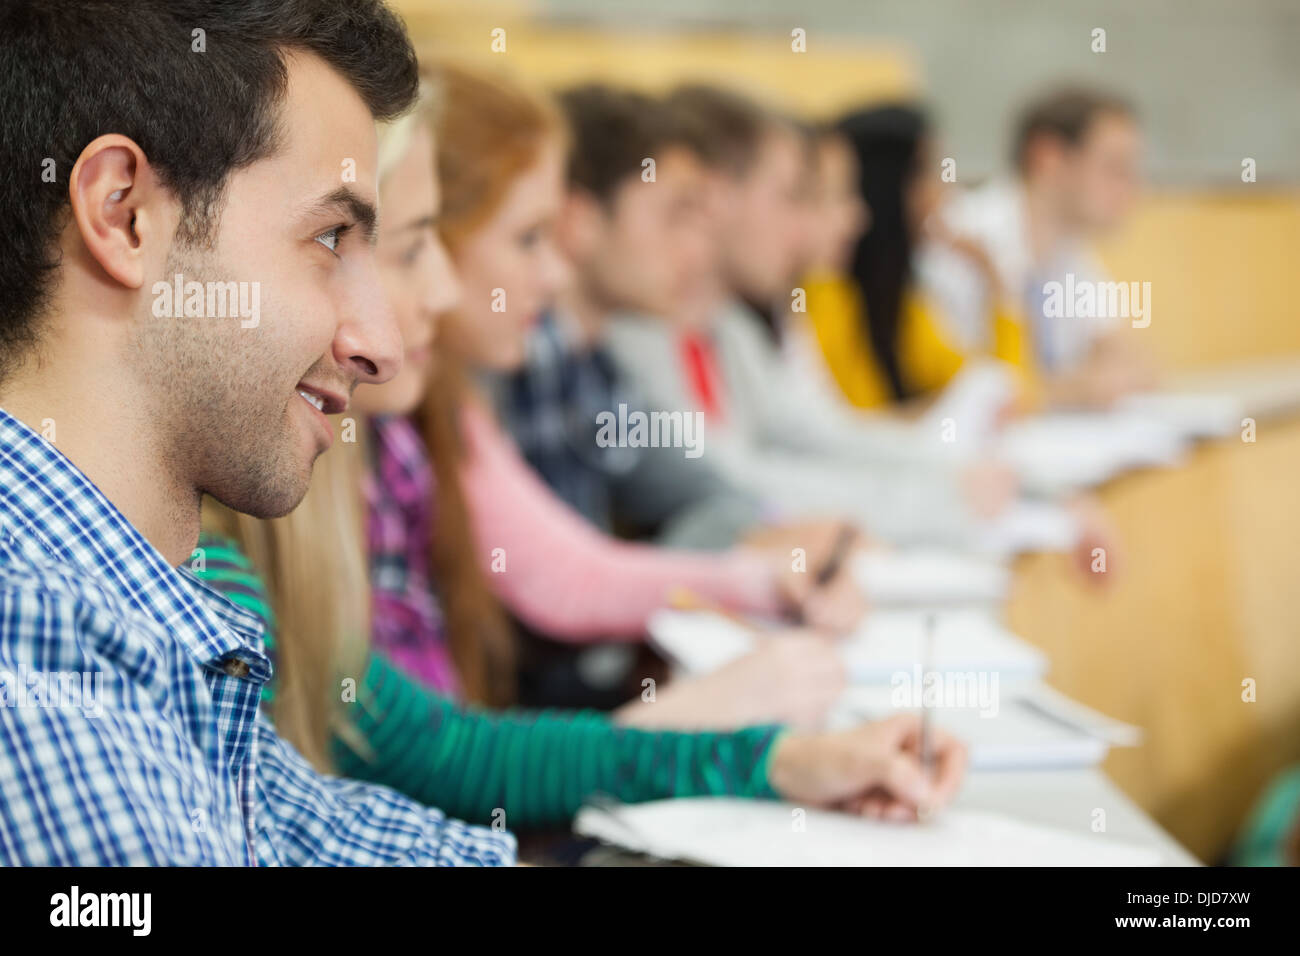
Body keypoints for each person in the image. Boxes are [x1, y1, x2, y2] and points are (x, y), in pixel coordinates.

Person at [196, 82, 968, 829]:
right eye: (405, 248)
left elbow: (443, 752)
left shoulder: (411, 429)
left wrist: (774, 756)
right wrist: (707, 715)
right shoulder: (234, 551)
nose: (437, 292)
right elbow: (551, 598)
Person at [0, 0, 512, 865]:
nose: (380, 346)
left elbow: (346, 843)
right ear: (124, 214)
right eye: (329, 237)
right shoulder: (33, 640)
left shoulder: (151, 611)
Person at [604, 85, 1020, 549]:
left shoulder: (728, 330)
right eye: (792, 196)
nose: (805, 228)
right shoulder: (635, 339)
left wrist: (966, 480)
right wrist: (941, 503)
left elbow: (821, 435)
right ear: (721, 198)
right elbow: (734, 483)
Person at [917, 86, 1155, 408]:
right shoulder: (959, 239)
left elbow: (1133, 363)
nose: (1132, 187)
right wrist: (1066, 391)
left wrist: (1109, 371)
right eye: (1114, 168)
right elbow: (954, 392)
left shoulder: (1072, 254)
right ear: (1048, 158)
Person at [803, 105, 1037, 410]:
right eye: (935, 172)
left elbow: (1004, 397)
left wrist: (996, 283)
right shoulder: (824, 291)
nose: (947, 190)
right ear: (892, 186)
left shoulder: (902, 301)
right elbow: (859, 427)